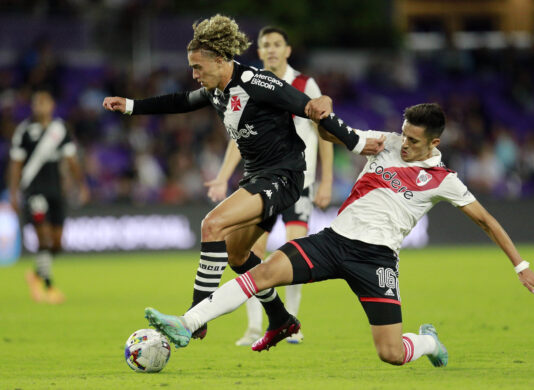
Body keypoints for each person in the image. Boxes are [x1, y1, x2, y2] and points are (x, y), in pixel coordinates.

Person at [144, 103, 534, 365]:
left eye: (412, 140)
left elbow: (488, 222)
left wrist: (522, 267)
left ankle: (428, 343)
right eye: (403, 134)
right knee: (262, 273)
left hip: (376, 261)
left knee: (391, 353)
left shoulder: (445, 180)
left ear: (434, 143)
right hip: (333, 241)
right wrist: (323, 118)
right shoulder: (385, 143)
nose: (403, 143)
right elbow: (339, 135)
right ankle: (185, 322)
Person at [103, 15, 383, 341]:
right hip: (257, 177)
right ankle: (281, 319)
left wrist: (358, 142)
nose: (194, 74)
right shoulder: (216, 90)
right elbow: (180, 101)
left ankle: (193, 319)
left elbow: (311, 109)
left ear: (220, 60)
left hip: (284, 176)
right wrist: (131, 106)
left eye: (198, 67)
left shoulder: (255, 81)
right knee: (237, 256)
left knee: (212, 224)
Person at [205, 26, 333, 346]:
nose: (272, 50)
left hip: (298, 180)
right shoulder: (247, 84)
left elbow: (324, 133)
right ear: (259, 52)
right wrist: (223, 176)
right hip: (264, 180)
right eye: (266, 45)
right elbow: (239, 138)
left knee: (293, 248)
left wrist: (327, 181)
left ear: (287, 50)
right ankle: (253, 326)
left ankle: (292, 321)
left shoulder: (305, 84)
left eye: (277, 44)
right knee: (251, 253)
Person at [8, 89, 89, 304]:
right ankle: (49, 287)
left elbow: (71, 160)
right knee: (43, 238)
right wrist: (14, 193)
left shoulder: (60, 129)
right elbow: (16, 164)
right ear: (33, 106)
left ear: (52, 105)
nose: (41, 106)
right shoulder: (24, 131)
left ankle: (35, 274)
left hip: (56, 191)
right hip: (34, 190)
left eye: (45, 102)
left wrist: (82, 185)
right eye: (37, 103)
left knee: (57, 244)